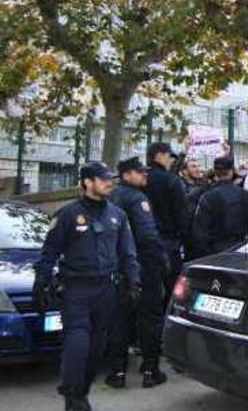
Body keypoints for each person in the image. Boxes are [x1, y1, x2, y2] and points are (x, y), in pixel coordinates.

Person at [32, 162, 140, 411]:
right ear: (87, 183)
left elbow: (128, 254)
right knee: (77, 343)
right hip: (76, 290)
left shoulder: (117, 215)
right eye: (102, 179)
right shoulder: (68, 214)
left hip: (106, 290)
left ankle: (81, 391)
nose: (108, 183)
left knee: (97, 347)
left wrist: (134, 283)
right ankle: (72, 396)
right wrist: (42, 282)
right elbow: (49, 252)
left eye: (109, 179)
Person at [105, 157, 168, 389]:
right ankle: (151, 370)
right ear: (127, 174)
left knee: (119, 320)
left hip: (115, 267)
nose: (145, 175)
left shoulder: (108, 198)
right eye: (140, 172)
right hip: (142, 266)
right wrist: (160, 262)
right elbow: (147, 236)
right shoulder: (137, 199)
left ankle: (118, 372)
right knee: (148, 318)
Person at [144, 142, 189, 295]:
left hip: (143, 241)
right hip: (168, 242)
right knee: (171, 288)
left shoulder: (141, 179)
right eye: (169, 157)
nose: (171, 161)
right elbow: (181, 215)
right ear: (160, 156)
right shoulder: (172, 182)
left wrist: (183, 153)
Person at [191, 156, 248, 258]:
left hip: (215, 251)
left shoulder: (207, 197)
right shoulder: (245, 195)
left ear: (215, 172)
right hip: (240, 248)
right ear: (231, 172)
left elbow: (200, 231)